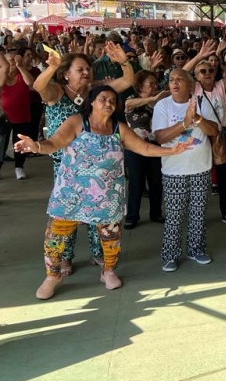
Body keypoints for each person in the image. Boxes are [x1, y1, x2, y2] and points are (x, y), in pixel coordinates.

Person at [14, 85, 190, 299]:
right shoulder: (77, 122)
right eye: (103, 99)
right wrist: (37, 147)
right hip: (71, 194)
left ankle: (108, 271)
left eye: (112, 101)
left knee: (110, 237)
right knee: (55, 237)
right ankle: (53, 276)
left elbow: (144, 148)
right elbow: (55, 142)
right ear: (92, 102)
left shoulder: (119, 128)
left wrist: (172, 151)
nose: (108, 103)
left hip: (106, 198)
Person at [33, 47, 134, 274]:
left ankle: (98, 253)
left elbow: (127, 81)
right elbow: (38, 87)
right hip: (65, 165)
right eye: (80, 69)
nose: (86, 72)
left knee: (97, 213)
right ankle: (66, 257)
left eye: (88, 68)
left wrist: (124, 62)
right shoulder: (57, 91)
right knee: (66, 213)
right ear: (66, 73)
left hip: (96, 166)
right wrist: (51, 67)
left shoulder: (95, 90)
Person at [153, 69, 219, 272]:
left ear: (190, 85)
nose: (175, 83)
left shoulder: (200, 102)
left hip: (201, 168)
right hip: (174, 171)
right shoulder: (163, 105)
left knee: (198, 213)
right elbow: (160, 137)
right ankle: (170, 254)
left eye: (180, 79)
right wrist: (184, 123)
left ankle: (195, 249)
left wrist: (197, 118)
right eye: (171, 79)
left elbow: (214, 130)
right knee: (174, 215)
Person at [190, 35, 226, 227]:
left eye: (210, 70)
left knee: (224, 179)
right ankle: (198, 215)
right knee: (199, 180)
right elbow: (180, 73)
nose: (207, 73)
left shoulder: (220, 87)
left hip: (221, 138)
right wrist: (199, 56)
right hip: (199, 137)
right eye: (202, 71)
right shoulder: (194, 88)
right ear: (197, 75)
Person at [123, 71, 169, 229]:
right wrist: (152, 99)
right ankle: (132, 216)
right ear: (140, 86)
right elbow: (128, 106)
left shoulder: (160, 102)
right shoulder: (132, 99)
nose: (155, 86)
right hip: (135, 147)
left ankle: (156, 213)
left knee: (156, 181)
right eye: (151, 84)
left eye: (156, 83)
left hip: (155, 146)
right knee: (136, 181)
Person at [0, 46, 34, 179]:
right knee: (2, 143)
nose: (12, 63)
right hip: (4, 116)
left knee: (19, 142)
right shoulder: (1, 77)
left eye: (15, 60)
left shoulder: (22, 74)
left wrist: (21, 66)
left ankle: (19, 167)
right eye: (9, 61)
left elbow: (31, 82)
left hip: (21, 115)